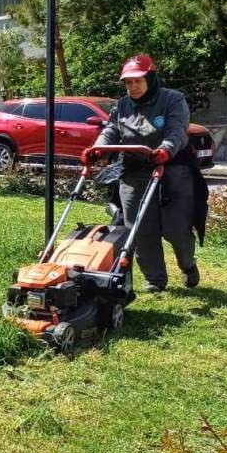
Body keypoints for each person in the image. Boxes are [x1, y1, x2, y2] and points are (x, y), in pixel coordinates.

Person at [84, 54, 200, 293]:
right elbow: (111, 130)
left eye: (137, 81)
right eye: (127, 82)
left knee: (176, 228)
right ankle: (155, 280)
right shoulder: (123, 106)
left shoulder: (172, 100)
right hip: (135, 170)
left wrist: (165, 150)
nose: (132, 87)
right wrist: (97, 150)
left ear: (150, 78)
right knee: (139, 228)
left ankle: (188, 265)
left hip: (172, 168)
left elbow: (177, 130)